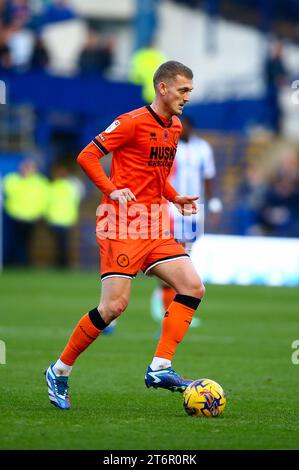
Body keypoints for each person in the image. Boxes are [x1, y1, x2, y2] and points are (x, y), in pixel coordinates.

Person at [45, 60, 205, 410]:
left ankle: (161, 366)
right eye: (183, 90)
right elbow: (86, 155)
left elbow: (156, 174)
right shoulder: (131, 122)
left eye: (190, 91)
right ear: (162, 88)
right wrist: (113, 188)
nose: (187, 97)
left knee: (193, 286)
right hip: (121, 224)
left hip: (155, 223)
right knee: (114, 306)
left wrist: (174, 196)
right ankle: (59, 370)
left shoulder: (175, 127)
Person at [150, 115, 221, 328]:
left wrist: (214, 202)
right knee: (173, 253)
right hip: (170, 206)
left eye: (185, 126)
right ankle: (168, 303)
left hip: (194, 208)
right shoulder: (169, 146)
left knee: (186, 253)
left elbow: (209, 177)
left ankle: (171, 301)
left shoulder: (203, 149)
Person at [2, 159, 49, 266]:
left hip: (30, 219)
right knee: (10, 242)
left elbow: (45, 199)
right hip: (12, 217)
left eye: (29, 167)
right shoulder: (11, 179)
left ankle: (22, 264)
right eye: (24, 166)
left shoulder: (41, 182)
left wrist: (40, 213)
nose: (26, 169)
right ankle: (9, 263)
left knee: (26, 243)